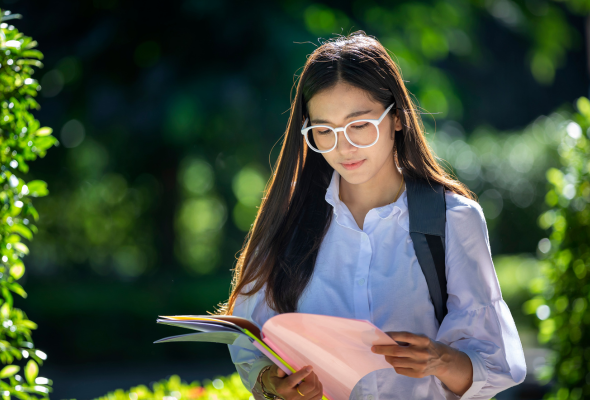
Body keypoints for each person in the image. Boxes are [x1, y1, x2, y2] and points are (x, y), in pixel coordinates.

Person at [219, 31, 526, 400]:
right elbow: (249, 341)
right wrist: (273, 384)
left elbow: (497, 365)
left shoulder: (453, 219)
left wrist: (440, 360)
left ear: (397, 117)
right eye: (324, 130)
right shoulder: (288, 219)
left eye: (359, 124)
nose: (343, 146)